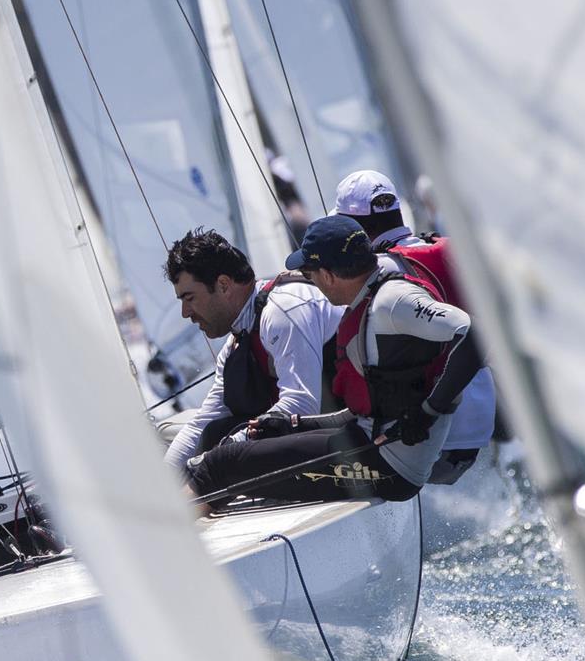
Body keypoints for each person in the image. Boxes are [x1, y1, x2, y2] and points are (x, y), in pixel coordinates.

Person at [186, 215, 487, 506]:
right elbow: (366, 410)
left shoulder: (392, 301)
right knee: (225, 439)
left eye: (310, 274)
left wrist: (429, 411)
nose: (309, 281)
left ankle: (170, 541)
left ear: (328, 275)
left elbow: (475, 333)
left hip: (391, 468)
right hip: (368, 440)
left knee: (221, 464)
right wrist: (292, 424)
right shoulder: (366, 300)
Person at [332, 169, 496, 483]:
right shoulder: (449, 247)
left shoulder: (377, 271)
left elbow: (326, 290)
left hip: (435, 426)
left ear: (353, 228)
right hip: (480, 414)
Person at [163, 228, 343, 470]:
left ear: (224, 285)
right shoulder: (236, 343)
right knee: (211, 432)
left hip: (352, 443)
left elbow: (302, 405)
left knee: (218, 450)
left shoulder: (283, 310)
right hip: (309, 441)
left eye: (189, 298)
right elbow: (201, 424)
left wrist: (228, 450)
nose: (185, 313)